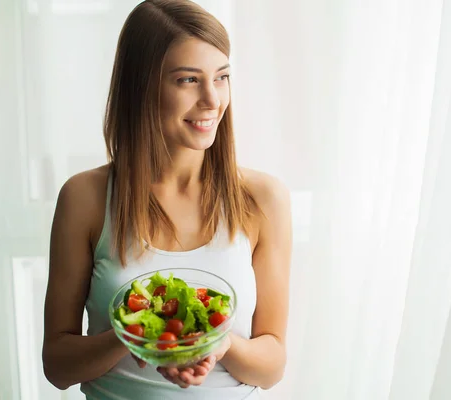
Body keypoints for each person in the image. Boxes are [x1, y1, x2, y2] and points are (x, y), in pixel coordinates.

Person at [41, 0, 292, 399]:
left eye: (222, 77)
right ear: (142, 87)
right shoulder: (84, 198)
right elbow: (57, 366)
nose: (212, 99)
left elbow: (272, 365)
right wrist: (138, 334)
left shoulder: (262, 199)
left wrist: (220, 343)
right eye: (188, 80)